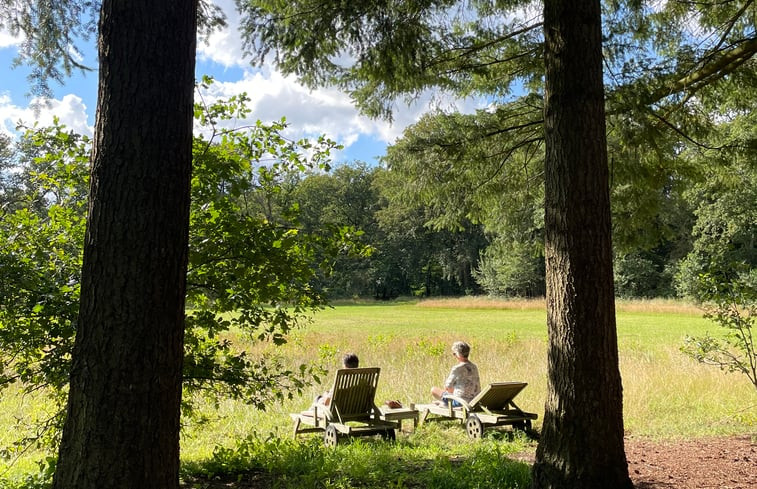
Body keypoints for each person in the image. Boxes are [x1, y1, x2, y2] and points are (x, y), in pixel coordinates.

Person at [431, 341, 480, 407]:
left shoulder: (457, 368)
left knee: (434, 390)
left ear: (458, 355)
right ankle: (443, 403)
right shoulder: (474, 367)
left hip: (460, 402)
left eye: (454, 354)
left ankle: (445, 404)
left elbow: (447, 387)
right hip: (474, 401)